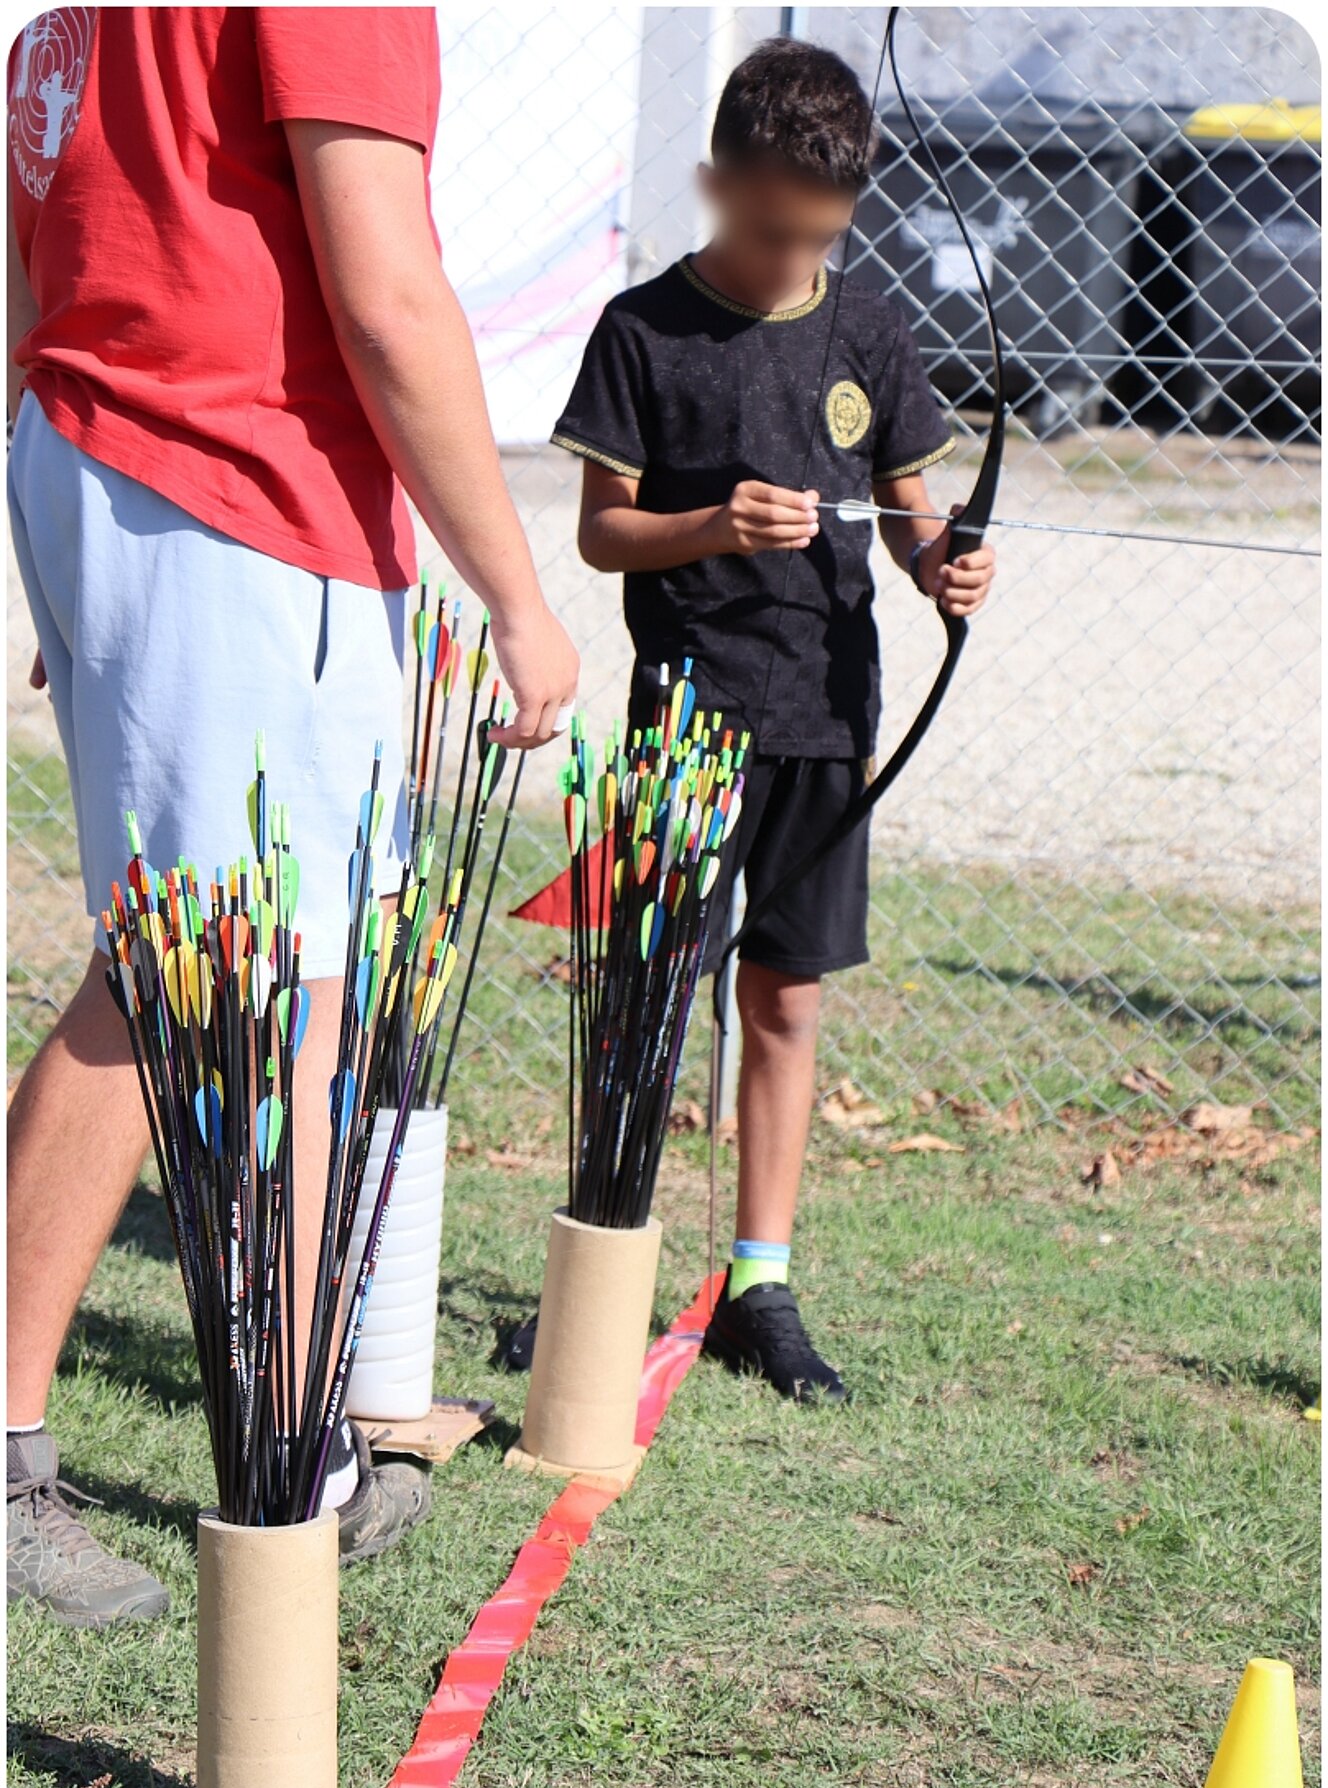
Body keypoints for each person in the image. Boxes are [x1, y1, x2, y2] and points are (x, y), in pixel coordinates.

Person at [7, 6, 579, 1626]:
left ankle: (298, 1435)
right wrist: (519, 597)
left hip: (140, 466)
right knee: (190, 981)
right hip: (227, 487)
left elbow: (34, 243)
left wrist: (80, 520)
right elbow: (388, 303)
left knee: (286, 992)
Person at [521, 38, 995, 1400]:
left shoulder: (870, 329)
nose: (796, 260)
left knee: (782, 998)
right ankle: (601, 1266)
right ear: (718, 181)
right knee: (647, 1005)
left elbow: (915, 520)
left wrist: (943, 561)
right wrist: (714, 519)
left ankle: (761, 1278)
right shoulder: (644, 331)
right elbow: (607, 536)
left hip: (823, 725)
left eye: (822, 237)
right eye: (775, 228)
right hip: (687, 726)